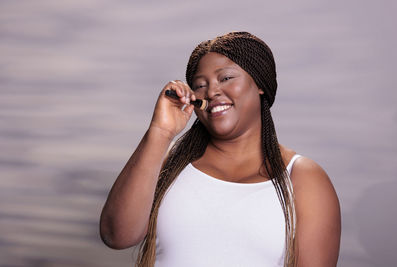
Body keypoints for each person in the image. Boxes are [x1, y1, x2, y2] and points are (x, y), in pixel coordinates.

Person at [99, 31, 341, 267]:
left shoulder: (302, 177)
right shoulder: (169, 161)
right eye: (200, 85)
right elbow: (116, 236)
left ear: (259, 84)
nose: (212, 92)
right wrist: (160, 132)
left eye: (225, 78)